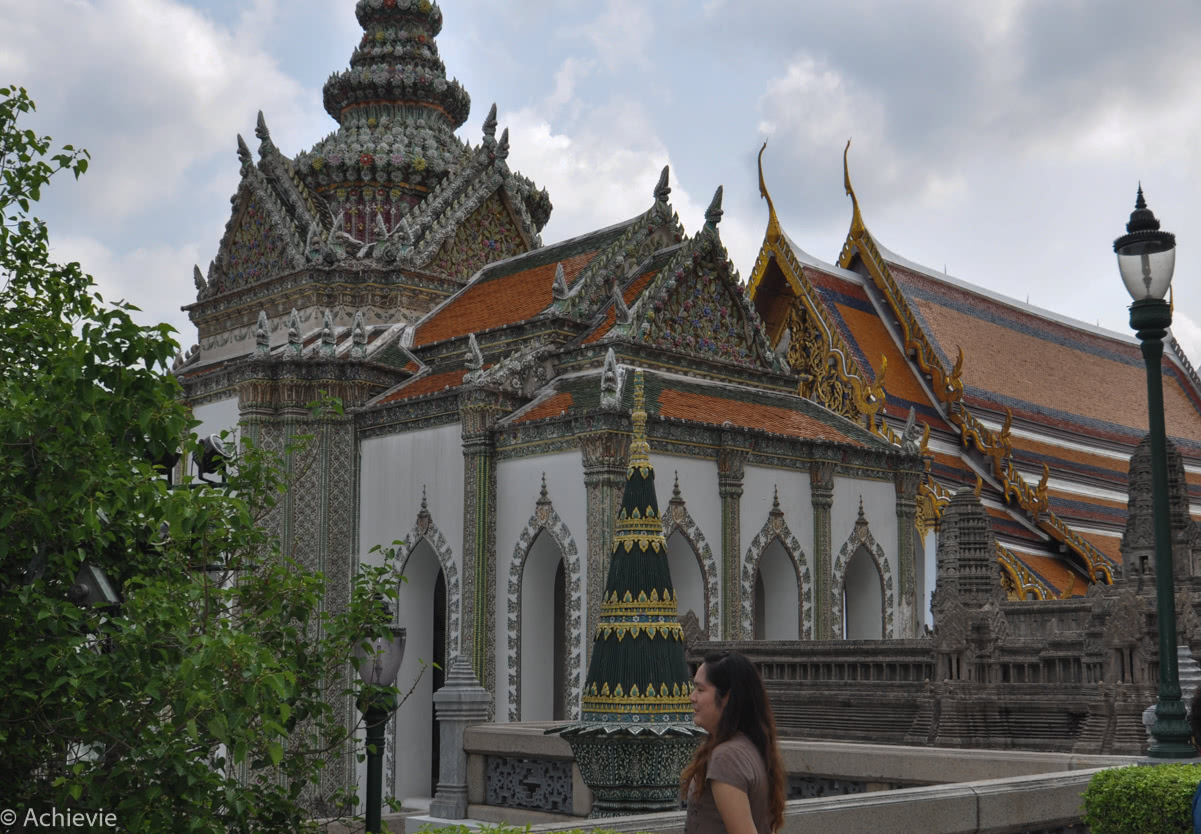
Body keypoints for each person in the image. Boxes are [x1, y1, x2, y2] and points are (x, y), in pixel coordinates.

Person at [682, 651, 786, 834]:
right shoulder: (748, 746)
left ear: (726, 697)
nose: (692, 697)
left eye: (700, 690)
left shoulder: (727, 757)